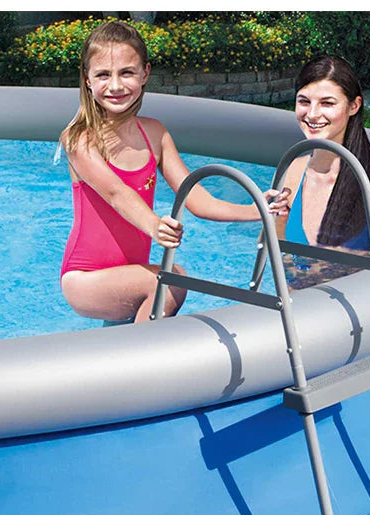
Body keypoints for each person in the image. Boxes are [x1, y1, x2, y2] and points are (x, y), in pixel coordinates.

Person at [59, 20, 279, 323]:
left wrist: (258, 209)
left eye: (127, 72)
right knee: (170, 281)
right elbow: (116, 193)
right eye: (103, 75)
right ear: (87, 79)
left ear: (145, 73)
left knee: (168, 280)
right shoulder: (79, 138)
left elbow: (198, 199)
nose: (116, 85)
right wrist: (153, 225)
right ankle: (141, 366)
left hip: (129, 275)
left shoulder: (155, 134)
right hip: (85, 279)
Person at [273, 55, 370, 286]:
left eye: (327, 103)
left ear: (354, 106)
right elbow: (284, 259)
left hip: (357, 315)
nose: (312, 114)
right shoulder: (294, 170)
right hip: (300, 313)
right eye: (304, 101)